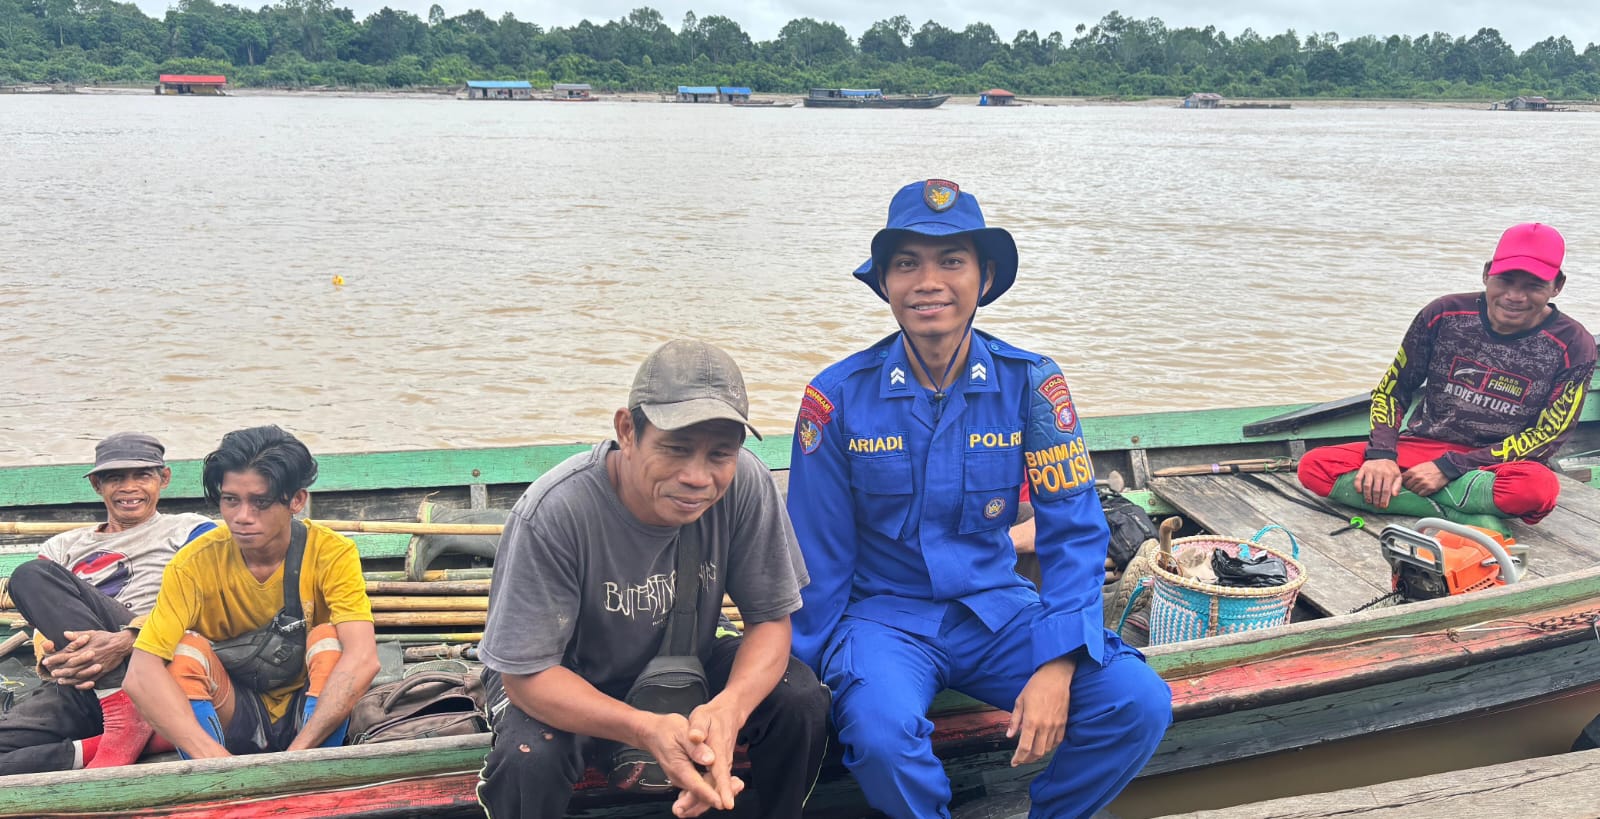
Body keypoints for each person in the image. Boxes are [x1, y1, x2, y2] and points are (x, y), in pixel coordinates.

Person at [786, 179, 1172, 819]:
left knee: (1137, 702)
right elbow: (817, 557)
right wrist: (796, 681)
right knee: (880, 737)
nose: (928, 282)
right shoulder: (836, 398)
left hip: (998, 612)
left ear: (984, 277)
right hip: (883, 620)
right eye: (906, 263)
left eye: (951, 261)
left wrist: (1059, 661)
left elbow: (1074, 532)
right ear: (885, 283)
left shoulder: (1031, 384)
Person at [475, 340, 829, 819]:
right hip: (563, 672)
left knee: (799, 700)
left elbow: (770, 622)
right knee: (530, 756)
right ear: (627, 430)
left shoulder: (747, 483)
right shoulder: (554, 513)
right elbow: (526, 678)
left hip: (683, 652)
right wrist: (643, 728)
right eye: (675, 449)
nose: (698, 477)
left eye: (720, 454)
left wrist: (730, 709)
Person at [1298, 223, 1596, 533]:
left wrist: (1449, 468)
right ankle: (1463, 512)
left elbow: (1548, 434)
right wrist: (1382, 455)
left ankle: (1421, 496)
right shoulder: (1443, 314)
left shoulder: (1574, 343)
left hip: (1498, 463)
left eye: (1533, 286)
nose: (1515, 296)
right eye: (1505, 280)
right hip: (1423, 445)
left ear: (1557, 286)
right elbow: (1392, 391)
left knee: (1537, 489)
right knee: (1314, 467)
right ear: (1487, 274)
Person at [123, 425, 379, 757]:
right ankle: (209, 775)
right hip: (232, 714)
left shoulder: (332, 553)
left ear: (296, 500)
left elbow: (363, 657)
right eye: (231, 500)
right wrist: (216, 762)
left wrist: (297, 756)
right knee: (184, 652)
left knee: (330, 642)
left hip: (312, 720)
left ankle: (317, 768)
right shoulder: (192, 564)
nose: (242, 517)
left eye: (261, 502)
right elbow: (139, 674)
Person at [0, 433, 214, 774]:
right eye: (115, 478)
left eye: (142, 475)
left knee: (29, 574)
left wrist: (128, 638)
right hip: (83, 675)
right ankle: (108, 742)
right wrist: (53, 656)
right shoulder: (62, 546)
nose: (129, 487)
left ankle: (124, 712)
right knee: (30, 577)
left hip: (151, 661)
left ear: (164, 478)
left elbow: (205, 602)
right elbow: (43, 616)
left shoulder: (190, 530)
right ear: (97, 484)